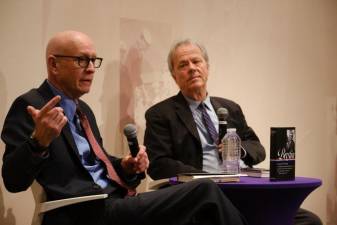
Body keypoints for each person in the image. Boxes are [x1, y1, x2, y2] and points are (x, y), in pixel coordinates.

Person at [1, 31, 248, 225]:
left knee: (201, 216)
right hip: (83, 212)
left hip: (113, 202)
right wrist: (38, 142)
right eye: (81, 60)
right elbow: (13, 181)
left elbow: (97, 163)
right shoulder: (31, 105)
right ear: (54, 65)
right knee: (204, 191)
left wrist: (126, 165)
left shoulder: (82, 109)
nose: (90, 68)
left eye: (93, 60)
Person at [144, 39, 322, 225]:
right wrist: (206, 179)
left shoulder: (230, 108)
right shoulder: (161, 114)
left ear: (207, 68)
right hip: (202, 198)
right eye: (183, 64)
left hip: (244, 191)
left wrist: (239, 149)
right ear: (174, 76)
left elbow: (258, 149)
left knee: (310, 221)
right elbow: (158, 164)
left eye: (196, 61)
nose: (192, 68)